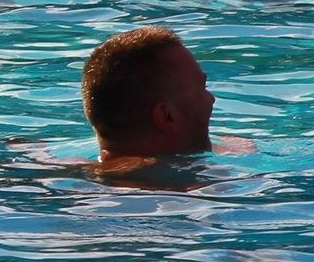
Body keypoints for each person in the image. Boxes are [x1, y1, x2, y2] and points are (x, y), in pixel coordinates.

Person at [81, 27, 218, 171]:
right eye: (202, 88)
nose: (212, 99)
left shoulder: (78, 174)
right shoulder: (208, 181)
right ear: (166, 116)